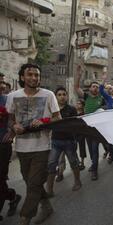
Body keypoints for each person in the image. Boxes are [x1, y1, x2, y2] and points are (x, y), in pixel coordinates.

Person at [6, 63, 61, 225]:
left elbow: (58, 118)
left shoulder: (49, 95)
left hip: (42, 147)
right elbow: (10, 118)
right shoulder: (13, 96)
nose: (34, 78)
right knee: (31, 183)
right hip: (22, 148)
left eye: (36, 75)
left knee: (34, 183)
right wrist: (13, 126)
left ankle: (25, 218)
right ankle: (46, 206)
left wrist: (44, 122)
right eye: (30, 75)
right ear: (22, 77)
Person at [46, 87, 82, 197]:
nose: (62, 97)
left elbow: (75, 125)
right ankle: (50, 190)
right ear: (56, 97)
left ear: (66, 96)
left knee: (73, 162)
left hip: (69, 141)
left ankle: (77, 181)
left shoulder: (71, 109)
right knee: (51, 164)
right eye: (59, 95)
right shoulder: (52, 110)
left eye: (64, 94)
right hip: (56, 141)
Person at [74, 65, 104, 180]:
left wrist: (103, 109)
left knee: (95, 149)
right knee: (91, 150)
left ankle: (94, 171)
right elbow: (76, 87)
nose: (95, 88)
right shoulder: (86, 97)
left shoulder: (101, 98)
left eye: (97, 86)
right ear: (90, 88)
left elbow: (108, 108)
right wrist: (79, 75)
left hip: (97, 129)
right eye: (93, 86)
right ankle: (93, 164)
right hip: (87, 129)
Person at [0, 81, 21, 221]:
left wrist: (12, 132)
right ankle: (12, 196)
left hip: (2, 144)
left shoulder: (6, 99)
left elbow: (16, 118)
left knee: (0, 179)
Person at [99, 84, 113, 166]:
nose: (112, 90)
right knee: (109, 143)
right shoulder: (108, 98)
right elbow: (101, 90)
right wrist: (103, 81)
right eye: (111, 88)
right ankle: (112, 155)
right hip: (110, 124)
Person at [75, 99, 87, 170]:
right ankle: (77, 161)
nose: (77, 105)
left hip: (82, 133)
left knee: (82, 148)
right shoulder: (74, 112)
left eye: (79, 104)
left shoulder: (84, 114)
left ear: (82, 105)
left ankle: (82, 162)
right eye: (77, 103)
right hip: (74, 132)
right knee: (73, 148)